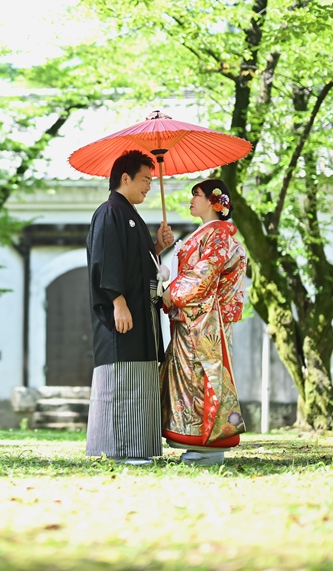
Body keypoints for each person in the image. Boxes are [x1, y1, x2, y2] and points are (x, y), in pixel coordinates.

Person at [85, 150, 174, 466]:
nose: (149, 187)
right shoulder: (110, 212)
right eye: (145, 179)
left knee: (140, 376)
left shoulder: (130, 215)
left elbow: (137, 263)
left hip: (141, 316)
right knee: (123, 377)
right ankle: (122, 448)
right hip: (124, 313)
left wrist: (158, 247)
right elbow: (107, 261)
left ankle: (137, 446)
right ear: (126, 178)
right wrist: (118, 302)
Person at [160, 179, 248, 466]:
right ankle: (192, 439)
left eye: (195, 195)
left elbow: (205, 274)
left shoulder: (220, 235)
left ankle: (206, 441)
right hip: (194, 319)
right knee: (190, 379)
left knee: (202, 379)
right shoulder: (208, 233)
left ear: (214, 201)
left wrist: (172, 292)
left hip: (206, 321)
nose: (191, 199)